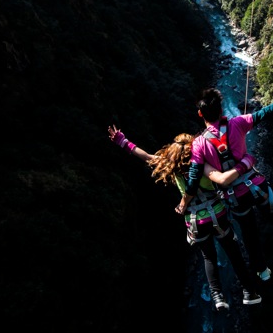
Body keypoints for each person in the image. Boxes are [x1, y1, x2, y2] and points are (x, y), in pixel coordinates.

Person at [176, 78, 273, 282]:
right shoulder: (238, 123)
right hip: (256, 185)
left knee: (249, 233)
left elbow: (192, 180)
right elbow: (267, 112)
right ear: (220, 109)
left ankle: (262, 271)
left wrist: (185, 203)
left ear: (200, 114)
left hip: (234, 197)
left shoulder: (198, 144)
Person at [108, 125, 262, 311]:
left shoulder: (171, 165)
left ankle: (217, 296)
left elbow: (147, 157)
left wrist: (122, 142)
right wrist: (243, 161)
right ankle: (249, 292)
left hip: (196, 221)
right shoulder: (203, 164)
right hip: (218, 213)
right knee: (233, 253)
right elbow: (223, 176)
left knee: (209, 257)